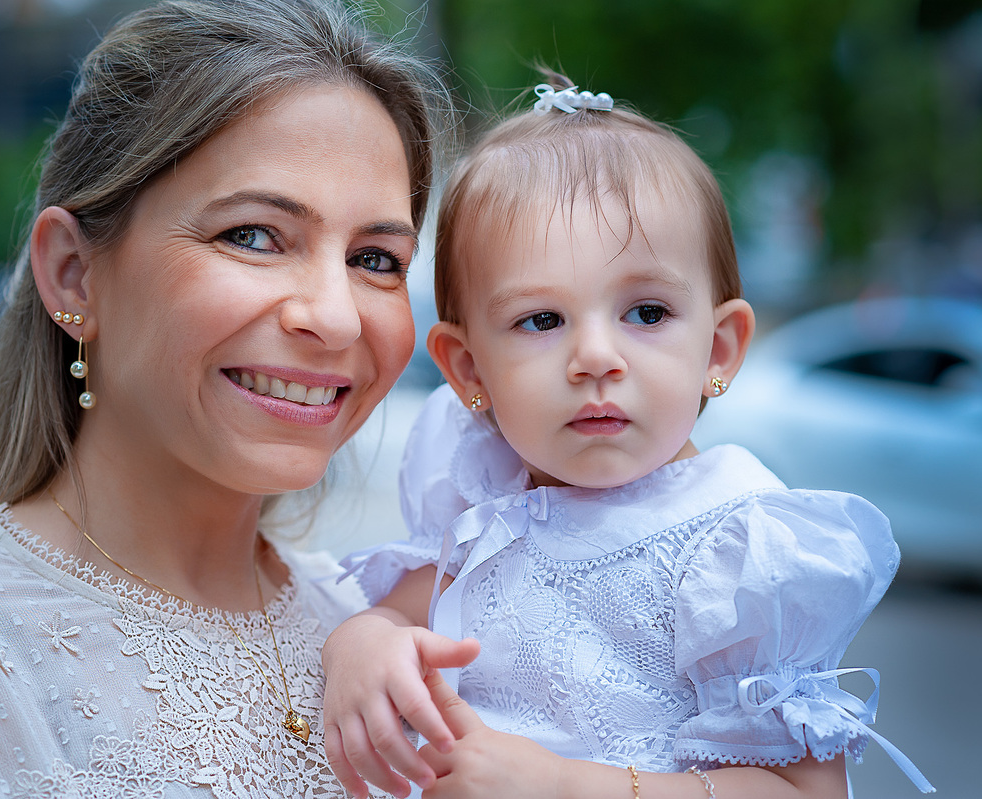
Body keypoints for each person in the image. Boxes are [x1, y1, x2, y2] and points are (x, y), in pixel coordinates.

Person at [0, 1, 450, 796]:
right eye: (253, 235)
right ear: (73, 274)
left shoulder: (380, 627)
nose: (333, 316)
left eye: (376, 257)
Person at [322, 79, 935, 799]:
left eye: (646, 311)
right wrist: (360, 643)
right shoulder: (483, 498)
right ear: (467, 367)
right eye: (542, 320)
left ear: (719, 349)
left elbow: (806, 790)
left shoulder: (737, 549)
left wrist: (566, 783)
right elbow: (399, 615)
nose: (595, 357)